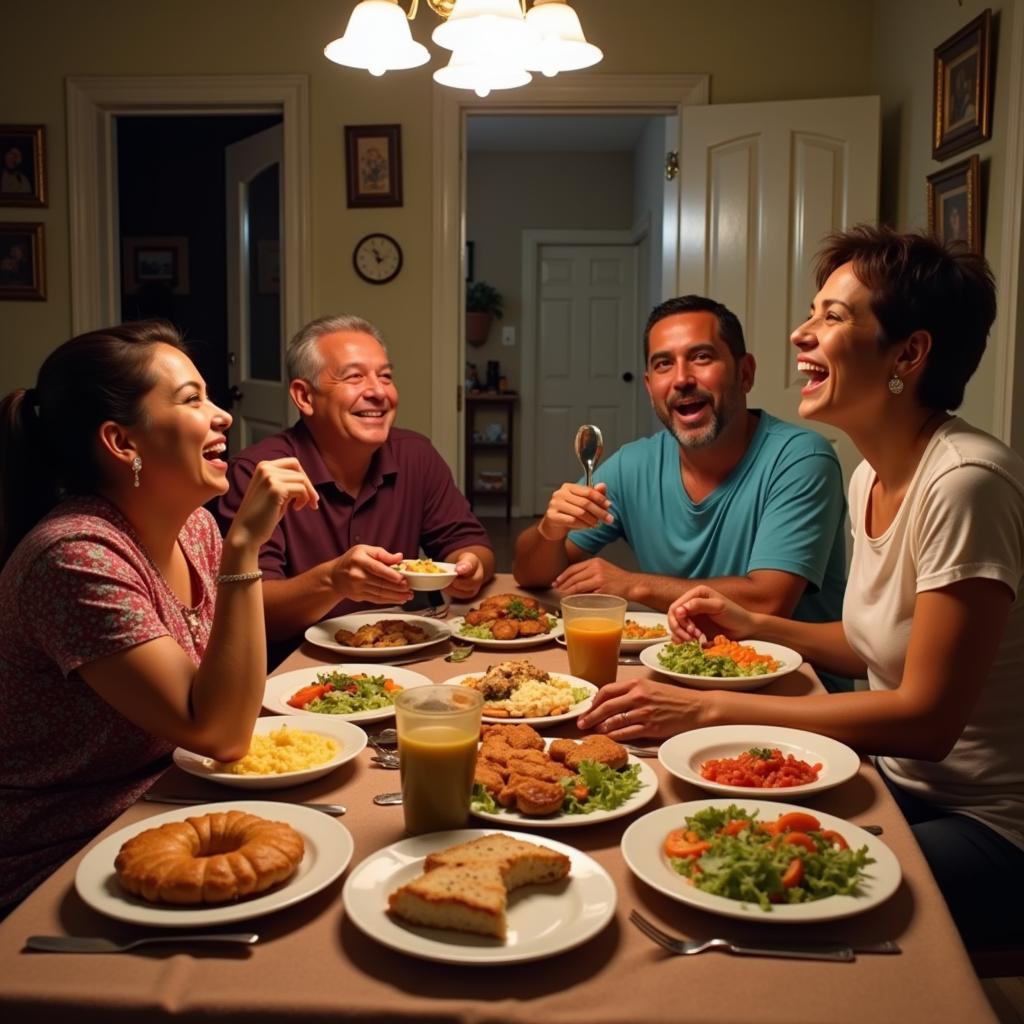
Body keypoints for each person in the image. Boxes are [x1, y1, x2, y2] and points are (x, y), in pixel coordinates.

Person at [580, 227, 1024, 948]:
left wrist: (706, 708)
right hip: (899, 783)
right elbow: (865, 647)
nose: (801, 332)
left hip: (992, 824)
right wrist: (749, 624)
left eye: (833, 317)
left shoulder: (965, 481)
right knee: (689, 825)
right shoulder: (870, 473)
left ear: (908, 355)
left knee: (737, 882)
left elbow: (928, 722)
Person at [0, 321, 318, 914]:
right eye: (192, 399)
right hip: (64, 857)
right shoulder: (74, 559)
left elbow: (228, 701)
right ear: (122, 442)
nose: (222, 415)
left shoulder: (194, 526)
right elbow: (221, 732)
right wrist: (246, 547)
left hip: (175, 804)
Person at [513, 294, 849, 688]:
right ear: (649, 386)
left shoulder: (800, 459)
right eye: (663, 364)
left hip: (792, 693)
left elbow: (769, 600)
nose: (681, 378)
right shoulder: (631, 465)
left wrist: (634, 584)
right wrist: (549, 532)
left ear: (745, 374)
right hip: (676, 677)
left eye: (702, 357)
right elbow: (531, 574)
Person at [218, 314, 495, 655]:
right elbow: (252, 610)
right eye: (354, 377)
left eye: (386, 377)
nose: (378, 392)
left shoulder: (415, 455)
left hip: (404, 655)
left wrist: (469, 566)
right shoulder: (259, 474)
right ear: (304, 397)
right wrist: (334, 580)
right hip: (294, 668)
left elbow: (470, 543)